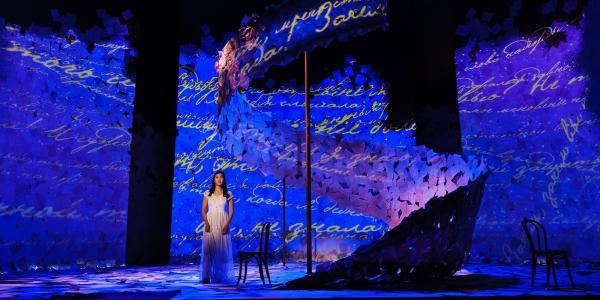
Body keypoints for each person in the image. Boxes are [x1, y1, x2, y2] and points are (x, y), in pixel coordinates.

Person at [201, 170, 235, 284]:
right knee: (208, 250)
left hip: (222, 222)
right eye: (217, 177)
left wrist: (226, 224)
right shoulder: (207, 193)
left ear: (224, 179)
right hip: (210, 221)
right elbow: (203, 210)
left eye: (221, 177)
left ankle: (219, 275)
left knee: (221, 250)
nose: (219, 179)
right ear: (214, 179)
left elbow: (231, 211)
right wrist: (206, 223)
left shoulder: (228, 194)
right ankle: (206, 276)